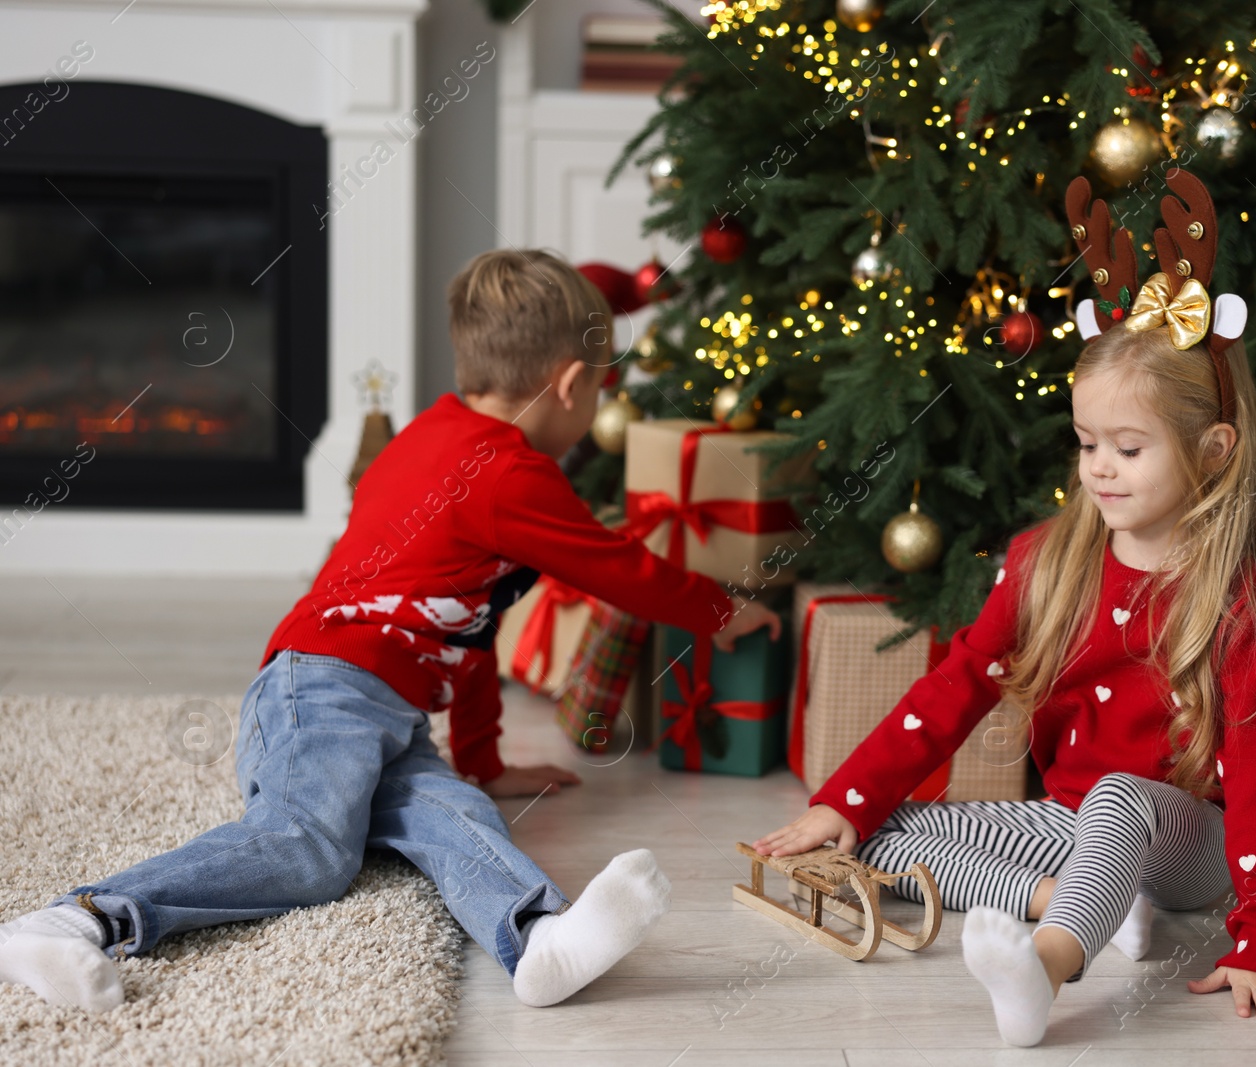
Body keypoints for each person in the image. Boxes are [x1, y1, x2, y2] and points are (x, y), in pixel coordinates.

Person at [0, 248, 781, 1013]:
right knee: (310, 850)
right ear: (572, 386)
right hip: (322, 686)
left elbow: (467, 631)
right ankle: (78, 920)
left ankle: (536, 937)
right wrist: (722, 609)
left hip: (380, 709)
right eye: (597, 394)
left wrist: (483, 759)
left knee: (457, 813)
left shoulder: (428, 435)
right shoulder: (511, 474)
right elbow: (619, 567)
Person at [755, 172, 1256, 1046]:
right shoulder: (1046, 560)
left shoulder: (1235, 596)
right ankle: (1073, 902)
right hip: (1069, 821)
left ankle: (1049, 963)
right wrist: (843, 802)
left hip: (1186, 842)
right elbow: (952, 688)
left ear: (1212, 452)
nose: (1099, 468)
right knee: (877, 829)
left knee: (1124, 799)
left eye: (1129, 449)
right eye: (1088, 443)